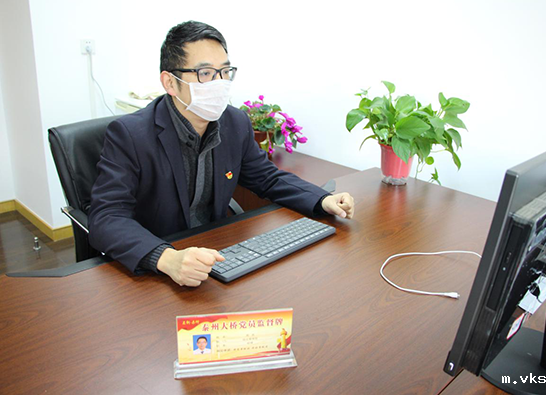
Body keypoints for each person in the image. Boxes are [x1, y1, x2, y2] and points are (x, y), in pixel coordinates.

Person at [88, 21, 355, 287]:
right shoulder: (130, 134)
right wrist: (166, 258)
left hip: (216, 255)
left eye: (225, 71)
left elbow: (267, 178)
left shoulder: (235, 123)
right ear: (170, 82)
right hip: (158, 264)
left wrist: (321, 199)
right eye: (205, 73)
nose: (219, 83)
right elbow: (106, 217)